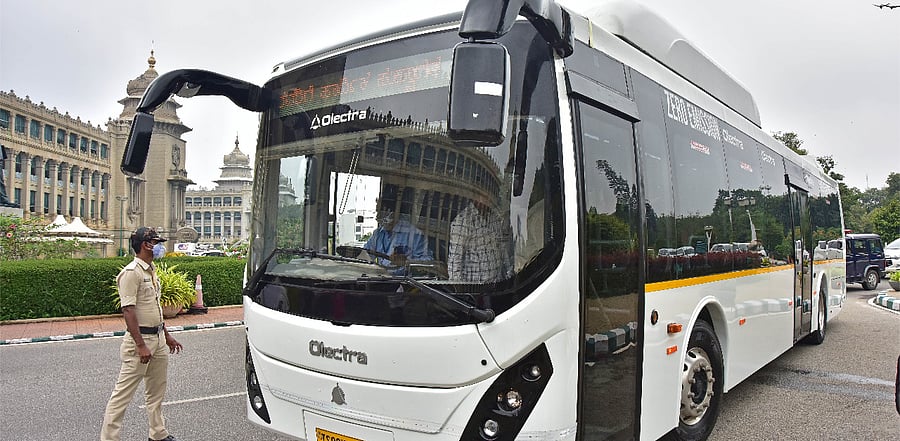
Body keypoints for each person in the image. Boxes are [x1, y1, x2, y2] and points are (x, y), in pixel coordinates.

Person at [100, 227, 182, 441]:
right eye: (156, 242)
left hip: (158, 338)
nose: (159, 247)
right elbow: (128, 310)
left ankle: (158, 433)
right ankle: (109, 438)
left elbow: (154, 308)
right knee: (122, 395)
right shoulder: (131, 273)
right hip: (141, 342)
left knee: (156, 392)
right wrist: (140, 345)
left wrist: (167, 335)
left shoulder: (150, 270)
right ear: (146, 245)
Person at [448, 200, 513, 283]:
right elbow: (454, 261)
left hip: (497, 283)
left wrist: (509, 272)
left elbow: (502, 247)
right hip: (475, 288)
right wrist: (459, 289)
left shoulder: (494, 217)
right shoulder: (463, 221)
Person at [363, 208, 432, 268]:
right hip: (380, 278)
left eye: (381, 213)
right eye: (377, 212)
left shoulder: (414, 234)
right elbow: (365, 255)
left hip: (404, 281)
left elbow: (429, 261)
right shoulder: (377, 234)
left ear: (392, 212)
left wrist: (407, 262)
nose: (377, 217)